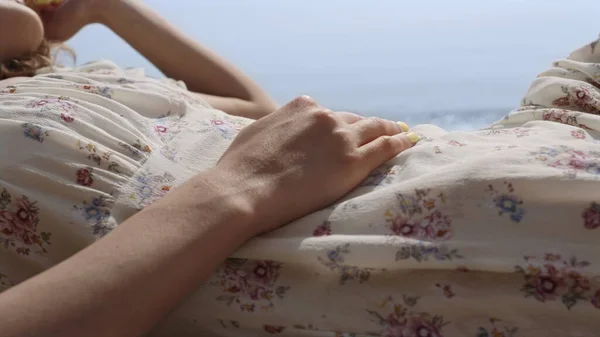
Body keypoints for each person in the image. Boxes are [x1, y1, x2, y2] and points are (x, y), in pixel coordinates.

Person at [0, 1, 599, 336]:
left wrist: (109, 7)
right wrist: (237, 190)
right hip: (467, 248)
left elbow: (265, 117)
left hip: (513, 152)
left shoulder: (65, 79)